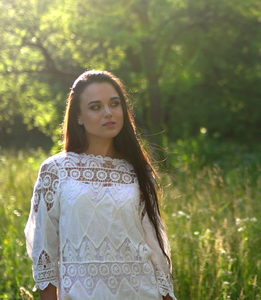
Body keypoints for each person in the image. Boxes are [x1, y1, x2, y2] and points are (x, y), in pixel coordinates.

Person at [24, 70, 176, 299]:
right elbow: (44, 249)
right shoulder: (56, 170)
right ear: (78, 117)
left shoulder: (138, 170)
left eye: (114, 104)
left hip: (142, 291)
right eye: (96, 107)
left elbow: (153, 245)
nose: (108, 113)